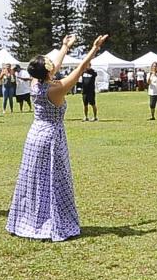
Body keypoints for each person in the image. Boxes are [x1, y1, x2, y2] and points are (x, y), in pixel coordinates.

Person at [8, 34, 109, 242]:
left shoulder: (35, 83)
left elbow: (55, 65)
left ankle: (28, 219)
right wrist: (94, 49)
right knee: (54, 180)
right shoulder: (56, 89)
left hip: (35, 135)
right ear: (47, 71)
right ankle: (51, 220)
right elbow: (80, 68)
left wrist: (64, 47)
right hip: (51, 137)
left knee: (33, 180)